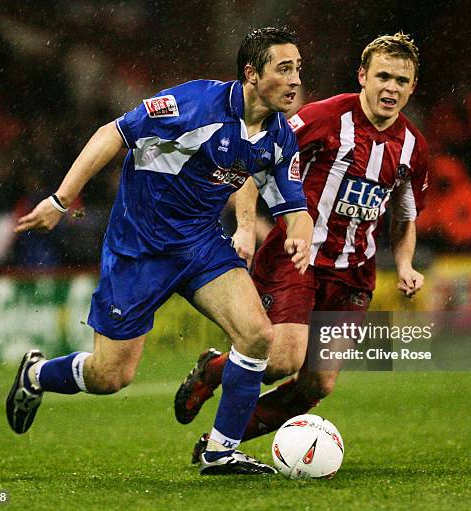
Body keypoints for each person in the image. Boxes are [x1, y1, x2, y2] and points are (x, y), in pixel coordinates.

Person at [6, 27, 314, 476]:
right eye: (284, 69)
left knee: (257, 335)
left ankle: (220, 451)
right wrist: (60, 199)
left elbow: (294, 204)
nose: (294, 80)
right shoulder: (195, 105)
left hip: (201, 243)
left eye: (298, 70)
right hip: (140, 249)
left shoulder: (280, 137)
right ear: (251, 73)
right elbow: (113, 133)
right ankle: (35, 375)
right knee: (110, 377)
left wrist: (299, 233)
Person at [175, 32, 429, 453]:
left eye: (402, 81)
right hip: (297, 259)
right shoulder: (324, 118)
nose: (391, 88)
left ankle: (219, 438)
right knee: (281, 361)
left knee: (318, 382)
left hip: (353, 275)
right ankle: (215, 374)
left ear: (412, 87)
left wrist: (404, 264)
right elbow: (254, 158)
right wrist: (244, 226)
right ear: (362, 76)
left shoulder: (414, 148)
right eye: (383, 76)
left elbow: (404, 215)